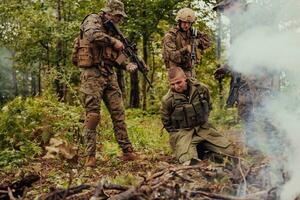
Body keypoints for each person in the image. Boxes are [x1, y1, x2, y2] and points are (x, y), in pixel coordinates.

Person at [78, 0, 138, 167]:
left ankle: (127, 151)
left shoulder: (114, 30)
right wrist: (113, 41)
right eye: (117, 15)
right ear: (107, 13)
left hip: (109, 75)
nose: (119, 19)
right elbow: (92, 35)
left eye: (121, 16)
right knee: (93, 115)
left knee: (119, 112)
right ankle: (89, 156)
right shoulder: (92, 20)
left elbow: (115, 56)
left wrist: (126, 65)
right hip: (92, 74)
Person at [160, 67, 233, 165]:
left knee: (229, 152)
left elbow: (209, 106)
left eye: (178, 82)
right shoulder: (168, 100)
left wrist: (202, 122)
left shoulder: (201, 89)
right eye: (172, 84)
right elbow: (166, 122)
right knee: (188, 161)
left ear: (185, 78)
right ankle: (191, 152)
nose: (176, 86)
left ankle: (206, 155)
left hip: (203, 129)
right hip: (183, 134)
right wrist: (178, 136)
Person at [162, 8, 211, 78]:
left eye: (189, 23)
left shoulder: (192, 32)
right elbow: (172, 56)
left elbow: (208, 40)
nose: (187, 25)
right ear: (179, 22)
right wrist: (185, 49)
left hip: (190, 71)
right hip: (176, 73)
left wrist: (196, 42)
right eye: (184, 22)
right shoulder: (171, 35)